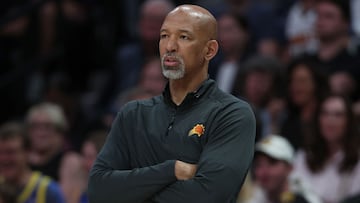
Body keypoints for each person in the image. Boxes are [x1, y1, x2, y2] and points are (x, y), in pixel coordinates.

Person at [88, 4, 256, 203]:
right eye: (164, 36)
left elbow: (208, 197)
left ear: (209, 50)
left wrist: (131, 191)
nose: (170, 46)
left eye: (183, 37)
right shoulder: (133, 113)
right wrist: (172, 169)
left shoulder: (231, 114)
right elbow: (99, 189)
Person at [293, 94, 360, 203]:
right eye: (325, 113)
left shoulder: (357, 159)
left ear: (349, 121)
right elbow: (294, 189)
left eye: (338, 115)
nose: (330, 120)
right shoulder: (304, 155)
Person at [0, 122, 65, 203]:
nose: (4, 159)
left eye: (10, 152)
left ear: (27, 152)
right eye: (0, 153)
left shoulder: (48, 191)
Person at [247, 135, 321, 203]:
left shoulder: (307, 198)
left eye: (272, 162)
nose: (263, 171)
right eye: (258, 164)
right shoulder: (254, 197)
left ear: (289, 168)